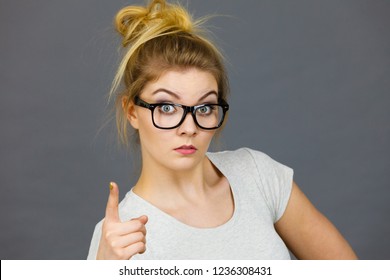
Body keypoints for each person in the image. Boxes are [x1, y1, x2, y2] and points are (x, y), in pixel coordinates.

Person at [87, 0, 357, 260]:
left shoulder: (257, 175)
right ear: (132, 111)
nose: (189, 128)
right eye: (167, 107)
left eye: (204, 108)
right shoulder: (115, 239)